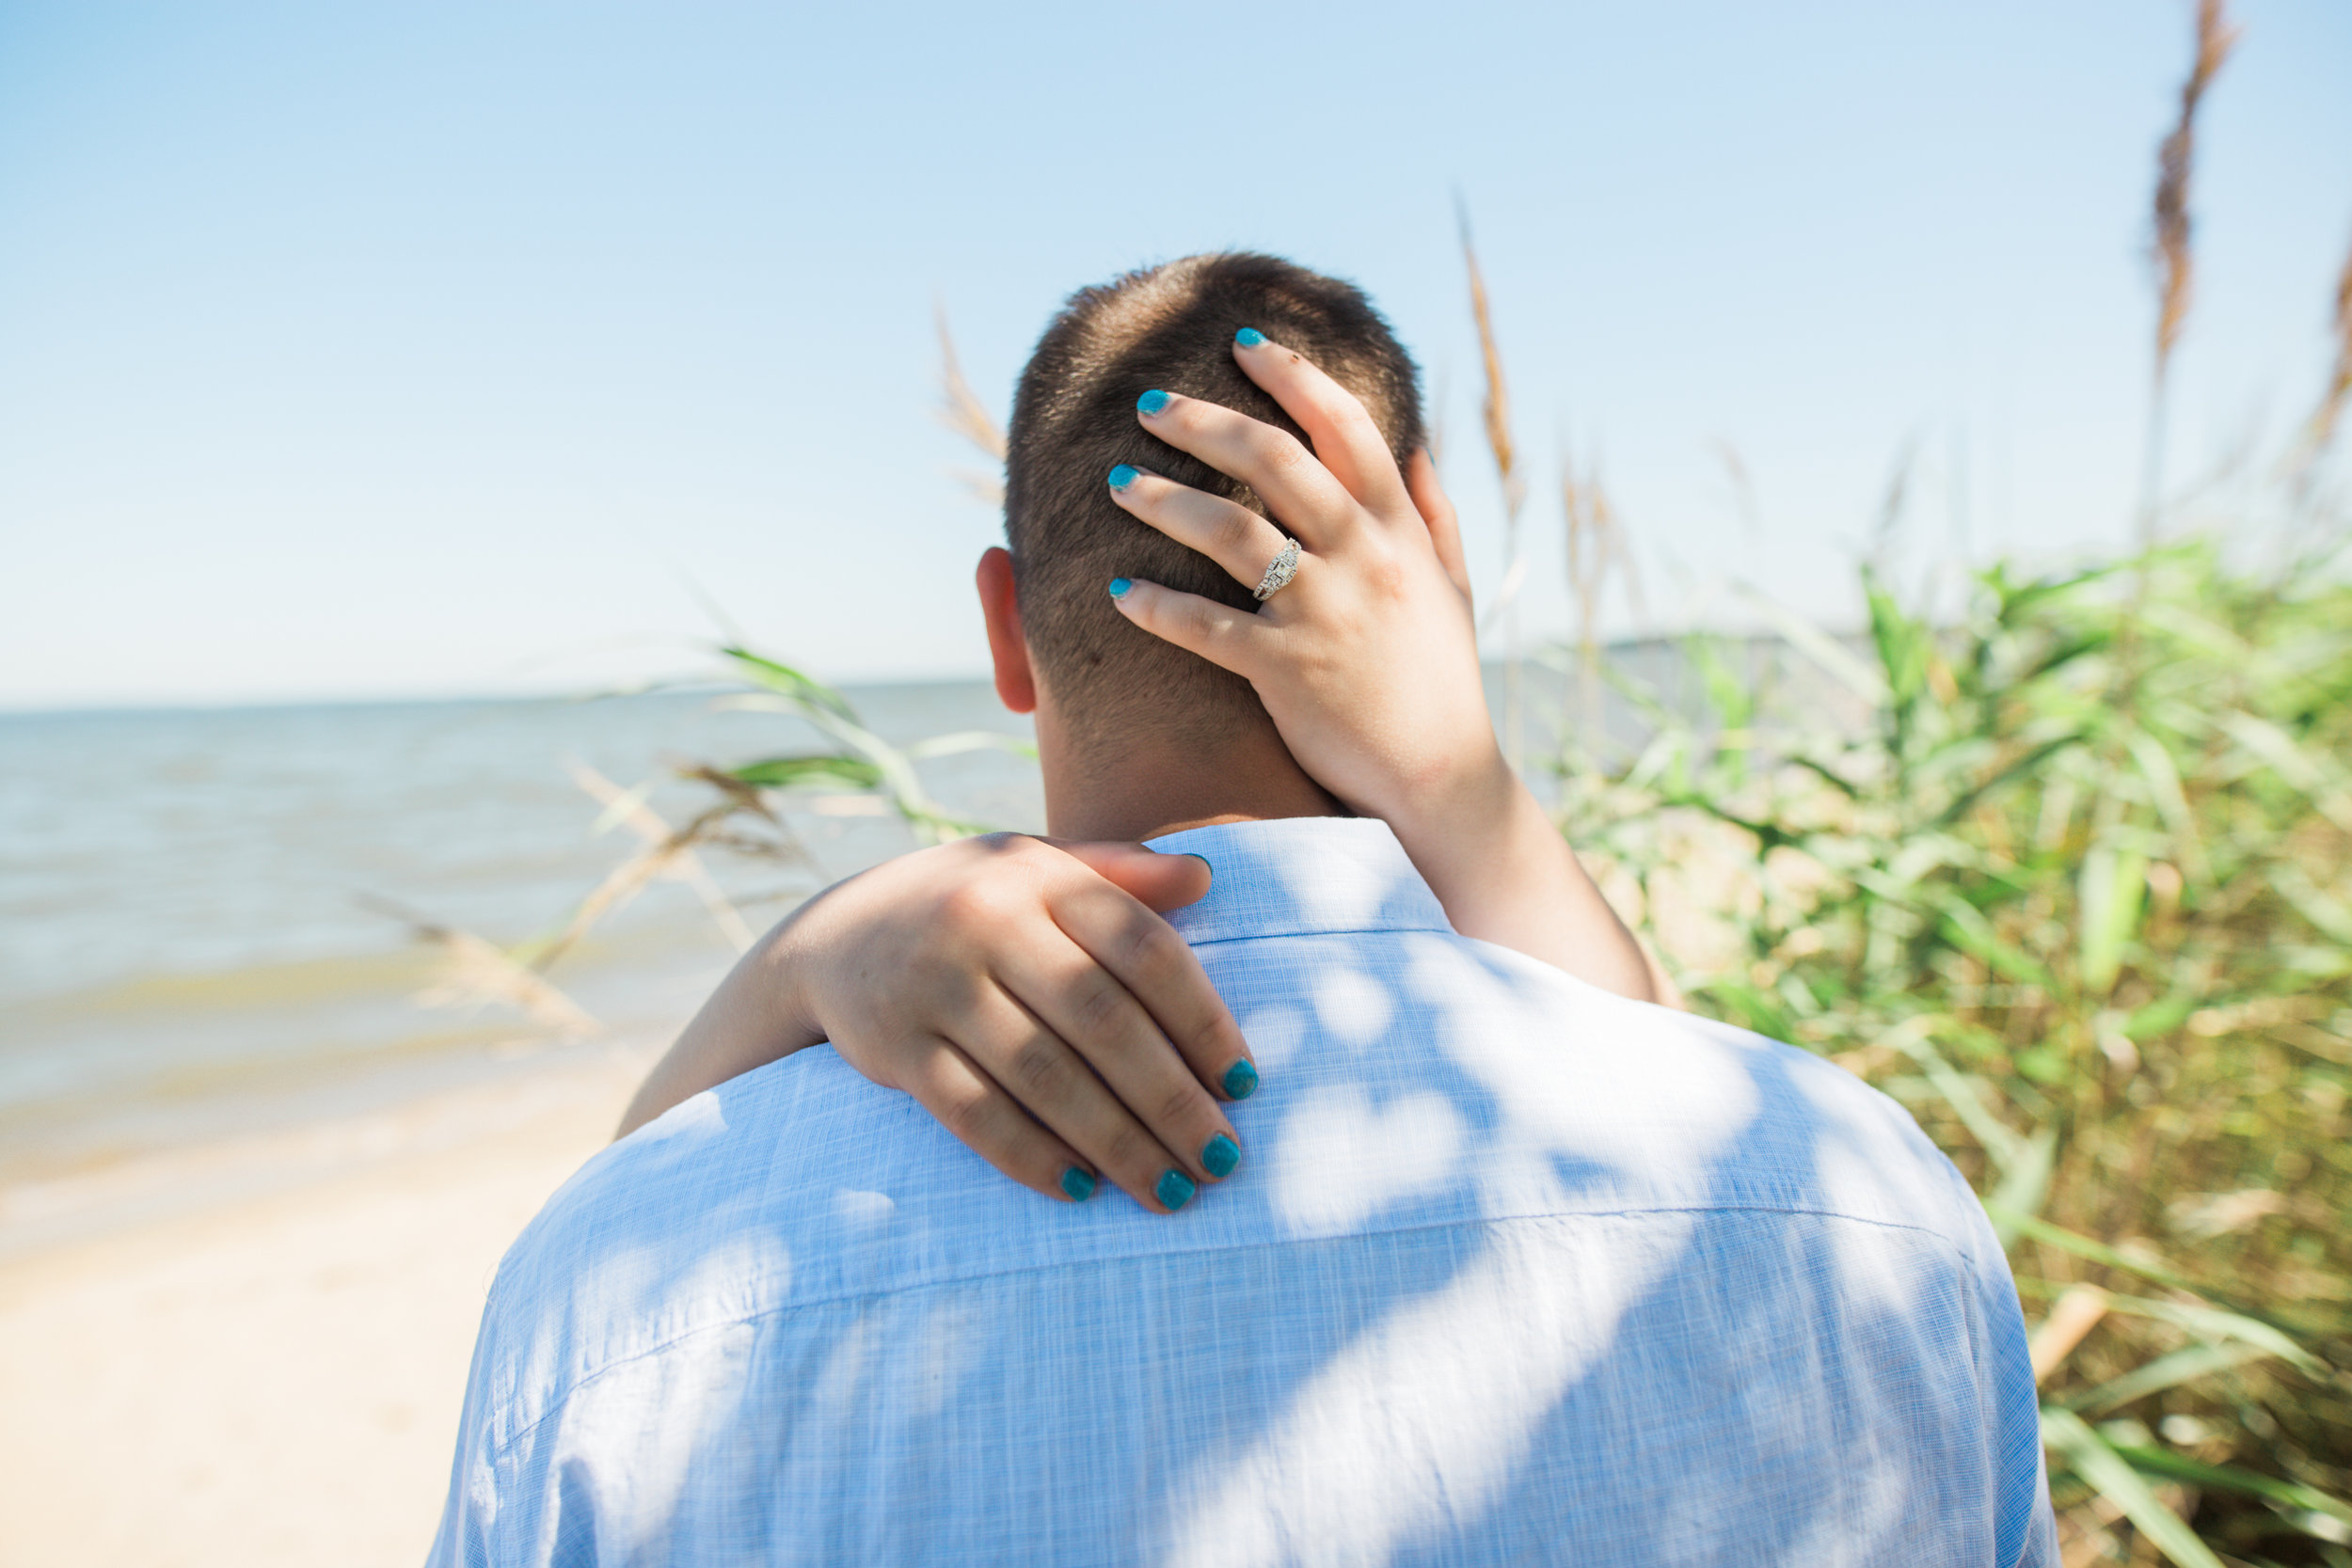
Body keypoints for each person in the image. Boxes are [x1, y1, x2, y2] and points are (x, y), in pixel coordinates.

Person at [429, 254, 2056, 1566]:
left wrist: (799, 955)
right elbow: (1644, 1054)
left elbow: (618, 1220)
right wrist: (1463, 777)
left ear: (1006, 626)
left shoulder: (617, 1281)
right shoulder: (1858, 1192)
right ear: (1441, 568)